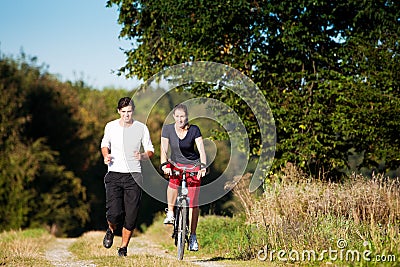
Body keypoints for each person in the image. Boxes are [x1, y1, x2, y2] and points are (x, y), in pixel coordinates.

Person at [100, 97, 154, 257]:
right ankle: (110, 229)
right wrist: (106, 156)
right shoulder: (110, 126)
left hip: (134, 176)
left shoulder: (141, 128)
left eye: (129, 111)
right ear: (119, 112)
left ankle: (123, 248)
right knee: (114, 213)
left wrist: (143, 156)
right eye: (123, 112)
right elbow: (104, 144)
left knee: (131, 216)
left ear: (133, 111)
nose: (126, 115)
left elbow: (150, 150)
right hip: (114, 174)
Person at [160, 103, 206, 251]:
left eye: (183, 116)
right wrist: (164, 165)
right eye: (177, 116)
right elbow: (164, 150)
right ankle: (171, 212)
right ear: (174, 116)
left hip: (193, 165)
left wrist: (203, 165)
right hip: (175, 164)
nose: (180, 119)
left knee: (193, 203)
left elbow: (201, 150)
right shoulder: (167, 129)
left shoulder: (194, 130)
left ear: (187, 117)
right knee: (173, 183)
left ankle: (192, 236)